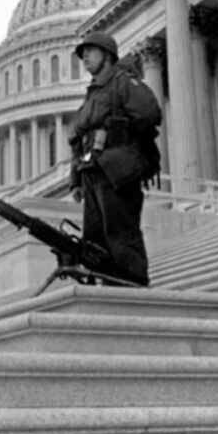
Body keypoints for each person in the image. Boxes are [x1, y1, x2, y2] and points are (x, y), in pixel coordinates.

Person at [69, 31, 162, 286]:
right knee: (95, 239)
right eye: (82, 53)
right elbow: (77, 140)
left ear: (107, 55)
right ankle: (109, 286)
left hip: (116, 171)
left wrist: (124, 149)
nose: (84, 56)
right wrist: (75, 179)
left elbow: (149, 115)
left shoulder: (124, 83)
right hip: (92, 172)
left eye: (90, 51)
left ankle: (132, 287)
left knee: (121, 234)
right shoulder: (91, 97)